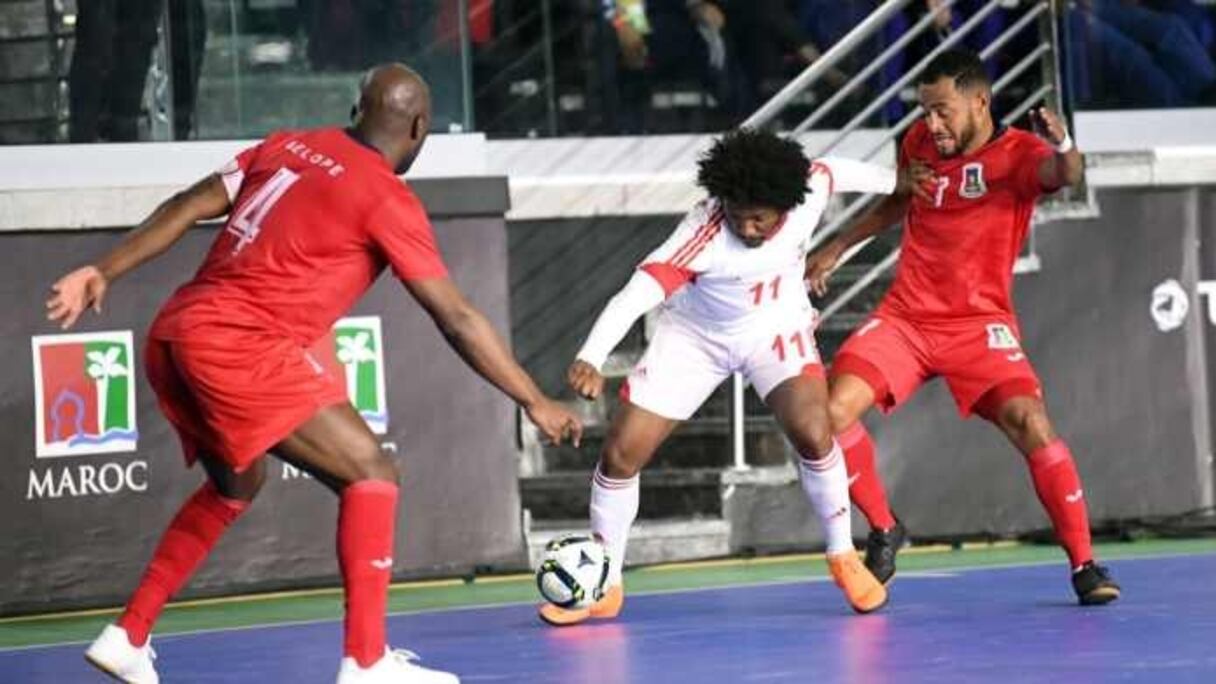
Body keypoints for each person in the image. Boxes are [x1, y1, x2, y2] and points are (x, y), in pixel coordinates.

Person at [47, 64, 582, 684]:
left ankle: (128, 634)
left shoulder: (286, 145)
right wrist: (533, 399)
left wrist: (104, 270)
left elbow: (188, 204)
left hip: (176, 334)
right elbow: (457, 318)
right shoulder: (387, 197)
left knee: (235, 485)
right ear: (419, 128)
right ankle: (367, 662)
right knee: (372, 472)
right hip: (240, 347)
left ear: (357, 109)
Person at [537, 129, 930, 626]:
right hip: (695, 339)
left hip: (774, 329)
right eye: (736, 213)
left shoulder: (809, 189)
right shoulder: (702, 234)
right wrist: (591, 356)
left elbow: (835, 170)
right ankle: (606, 583)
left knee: (815, 431)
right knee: (621, 453)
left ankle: (842, 556)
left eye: (758, 218)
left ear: (786, 205)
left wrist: (894, 180)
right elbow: (638, 292)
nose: (745, 226)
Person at [805, 50, 1121, 606]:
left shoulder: (1019, 155)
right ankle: (885, 529)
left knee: (1032, 423)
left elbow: (1065, 175)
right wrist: (835, 247)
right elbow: (898, 201)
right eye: (924, 112)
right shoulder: (919, 142)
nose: (931, 125)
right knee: (827, 414)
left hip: (979, 324)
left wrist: (1066, 145)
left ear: (980, 102)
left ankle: (1084, 565)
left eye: (942, 111)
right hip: (906, 318)